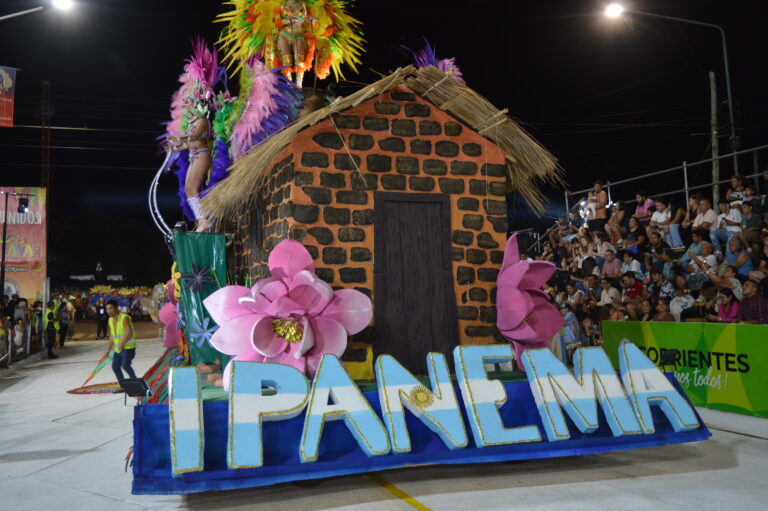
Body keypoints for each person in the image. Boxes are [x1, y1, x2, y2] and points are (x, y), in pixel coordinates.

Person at [167, 96, 214, 232]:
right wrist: (173, 148)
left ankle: (205, 220)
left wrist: (177, 138)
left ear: (196, 104)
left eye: (187, 101)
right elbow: (188, 143)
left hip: (202, 155)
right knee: (188, 189)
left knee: (193, 187)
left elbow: (196, 136)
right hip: (193, 157)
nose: (185, 104)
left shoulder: (202, 120)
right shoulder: (192, 122)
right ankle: (201, 220)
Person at [104, 299, 138, 389]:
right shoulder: (110, 320)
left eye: (111, 308)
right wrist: (108, 349)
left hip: (128, 347)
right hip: (119, 348)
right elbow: (112, 335)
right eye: (107, 309)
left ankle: (136, 383)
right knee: (115, 366)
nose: (109, 311)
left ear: (116, 308)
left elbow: (129, 333)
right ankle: (123, 386)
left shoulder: (124, 317)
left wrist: (121, 344)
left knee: (125, 365)